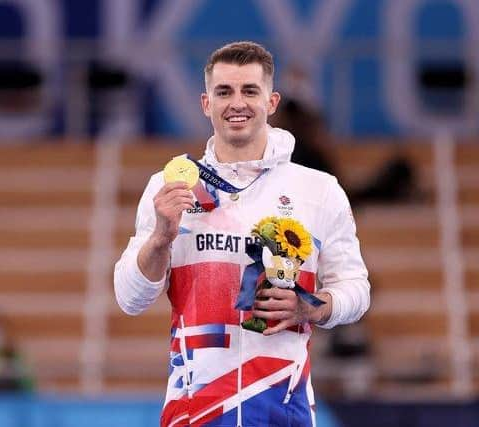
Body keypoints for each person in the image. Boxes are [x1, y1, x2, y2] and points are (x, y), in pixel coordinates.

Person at [114, 41, 370, 427]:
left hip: (282, 407)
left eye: (250, 90)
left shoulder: (319, 190)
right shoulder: (169, 189)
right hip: (195, 410)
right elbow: (130, 298)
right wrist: (160, 238)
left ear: (271, 101)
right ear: (206, 104)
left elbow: (356, 288)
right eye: (224, 92)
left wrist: (312, 306)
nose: (237, 103)